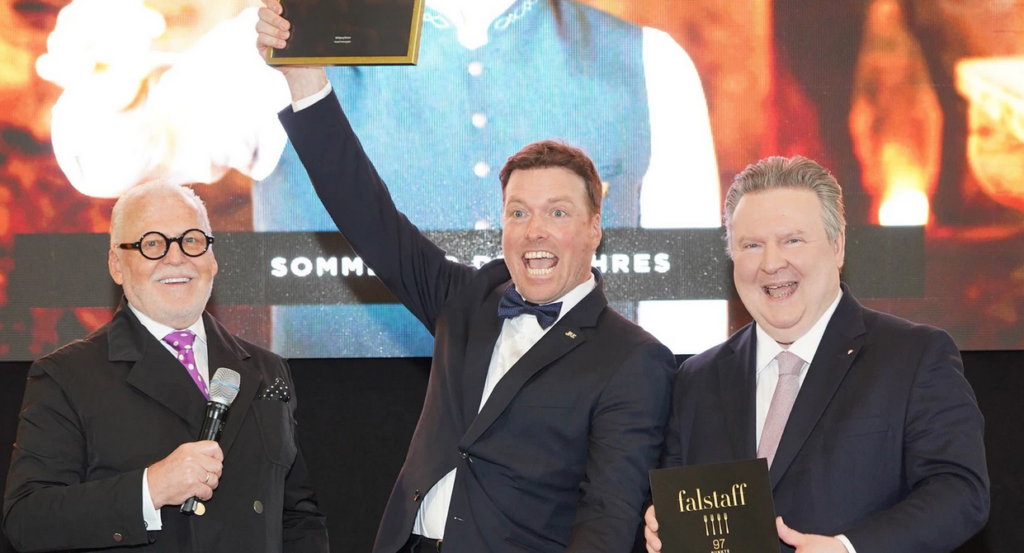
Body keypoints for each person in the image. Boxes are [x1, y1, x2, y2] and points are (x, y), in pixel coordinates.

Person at [39, 0, 723, 358]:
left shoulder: (651, 65)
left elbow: (691, 336)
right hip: (344, 468)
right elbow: (120, 157)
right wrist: (107, 86)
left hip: (580, 494)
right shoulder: (282, 42)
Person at [256, 4, 677, 551]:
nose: (534, 231)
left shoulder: (633, 358)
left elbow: (607, 518)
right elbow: (365, 212)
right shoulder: (469, 300)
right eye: (518, 212)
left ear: (595, 227)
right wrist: (303, 77)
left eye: (557, 212)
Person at [644, 156, 988, 553]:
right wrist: (665, 525)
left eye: (792, 240)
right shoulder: (696, 379)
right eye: (752, 245)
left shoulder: (914, 357)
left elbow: (960, 492)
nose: (771, 263)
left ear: (837, 246)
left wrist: (848, 548)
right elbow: (681, 503)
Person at [2, 181, 329, 552]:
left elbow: (299, 518)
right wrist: (150, 489)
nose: (176, 258)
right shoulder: (66, 376)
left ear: (212, 258)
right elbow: (27, 520)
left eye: (191, 240)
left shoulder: (267, 370)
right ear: (116, 265)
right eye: (152, 243)